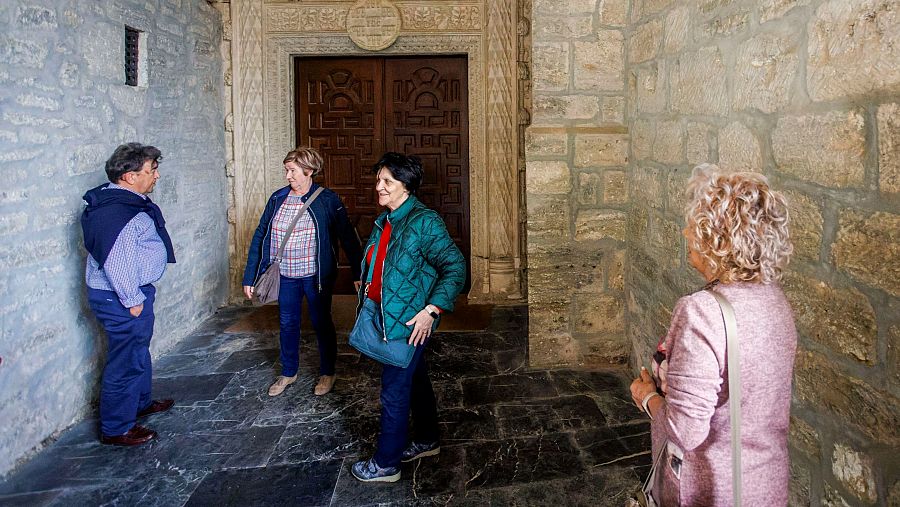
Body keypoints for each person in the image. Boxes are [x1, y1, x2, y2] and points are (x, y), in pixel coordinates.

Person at [629, 164, 797, 505]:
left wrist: (648, 397)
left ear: (717, 239)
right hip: (765, 483)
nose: (685, 232)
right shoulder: (775, 300)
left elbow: (686, 431)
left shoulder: (702, 312)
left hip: (711, 489)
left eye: (694, 224)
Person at [350, 152, 466, 483]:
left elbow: (455, 268)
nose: (379, 187)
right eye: (378, 180)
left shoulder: (424, 222)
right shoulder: (387, 220)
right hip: (388, 316)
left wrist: (432, 310)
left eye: (387, 181)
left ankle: (385, 463)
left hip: (408, 321)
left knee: (394, 391)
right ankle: (428, 439)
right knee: (414, 379)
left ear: (407, 185)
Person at [243, 147, 362, 397]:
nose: (287, 176)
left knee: (321, 323)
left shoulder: (327, 200)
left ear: (309, 171)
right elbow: (260, 234)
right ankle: (288, 372)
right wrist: (250, 275)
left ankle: (327, 372)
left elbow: (348, 238)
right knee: (287, 323)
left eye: (292, 171)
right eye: (286, 170)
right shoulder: (277, 198)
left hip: (315, 276)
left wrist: (358, 273)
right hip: (285, 275)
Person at [81, 143, 176, 446]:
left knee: (138, 351)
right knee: (126, 360)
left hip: (130, 293)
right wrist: (133, 300)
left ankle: (140, 403)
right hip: (122, 297)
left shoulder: (122, 202)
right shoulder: (117, 213)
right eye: (151, 170)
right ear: (129, 176)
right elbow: (116, 261)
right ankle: (117, 427)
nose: (156, 176)